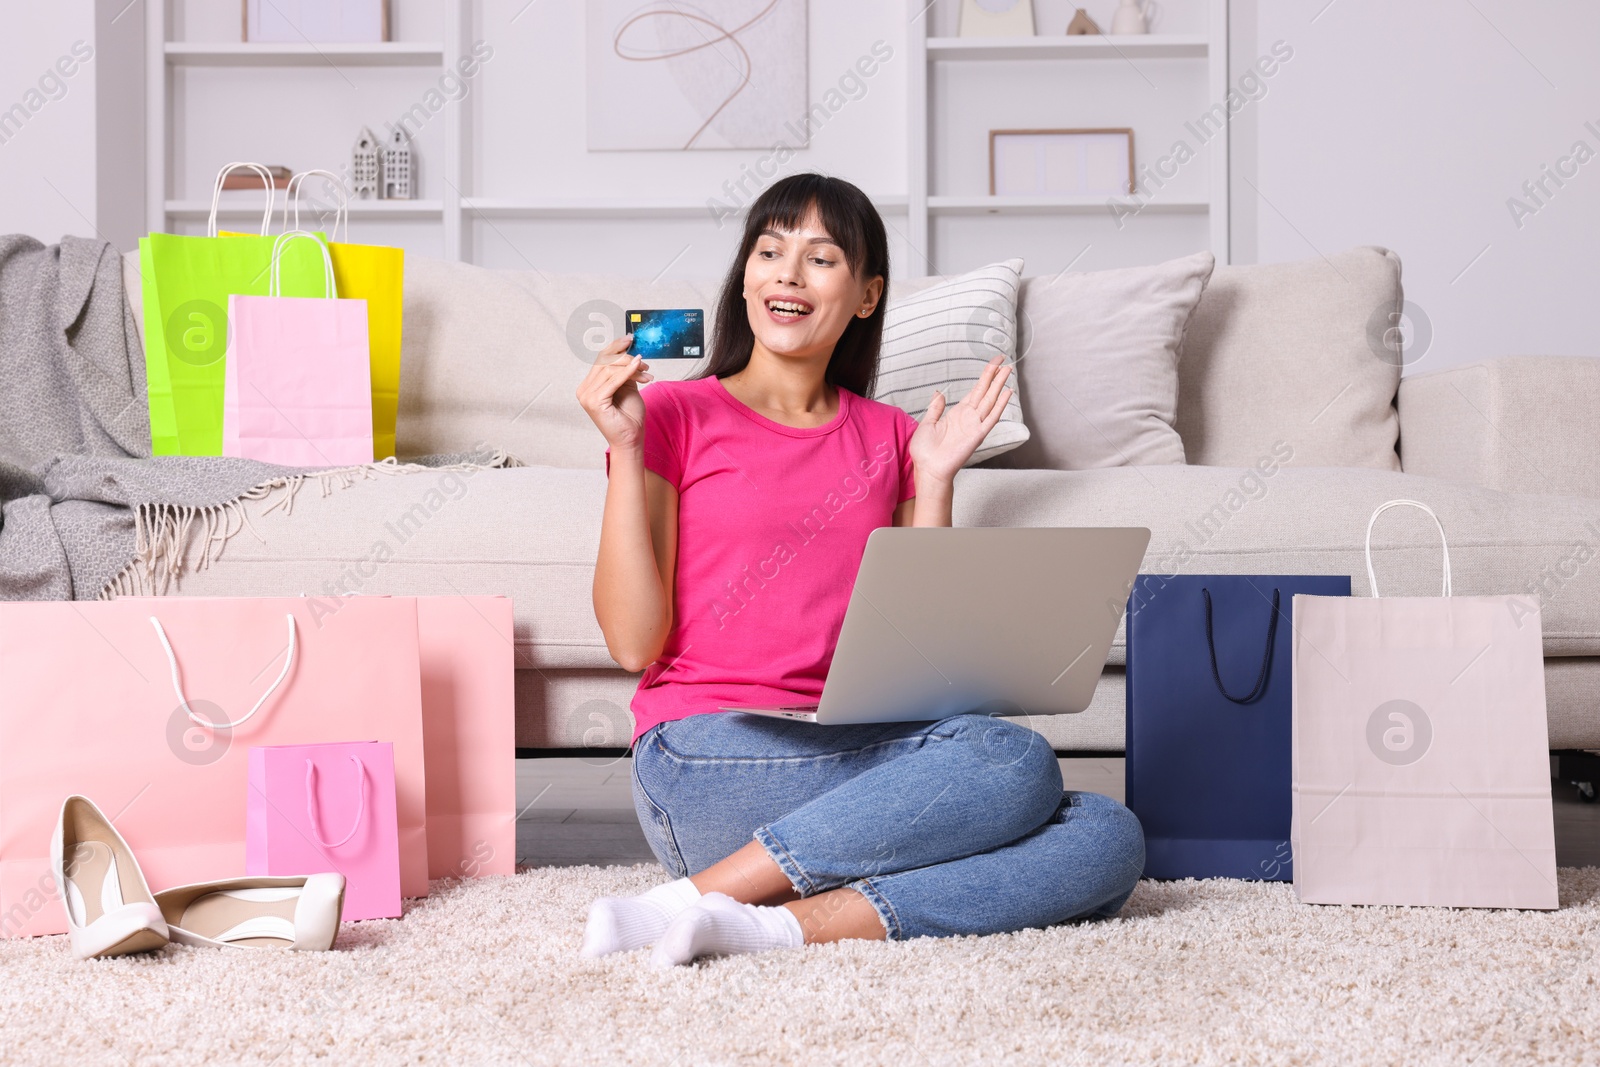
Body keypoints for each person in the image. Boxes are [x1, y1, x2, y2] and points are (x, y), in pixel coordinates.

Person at [575, 173, 1143, 968]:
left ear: (867, 295)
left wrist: (935, 476)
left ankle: (776, 924)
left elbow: (925, 655)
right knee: (1012, 760)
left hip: (852, 756)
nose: (787, 273)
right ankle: (690, 896)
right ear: (745, 278)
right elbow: (634, 644)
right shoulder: (670, 414)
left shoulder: (888, 436)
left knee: (1106, 836)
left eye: (820, 258)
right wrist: (627, 448)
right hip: (705, 758)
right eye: (769, 251)